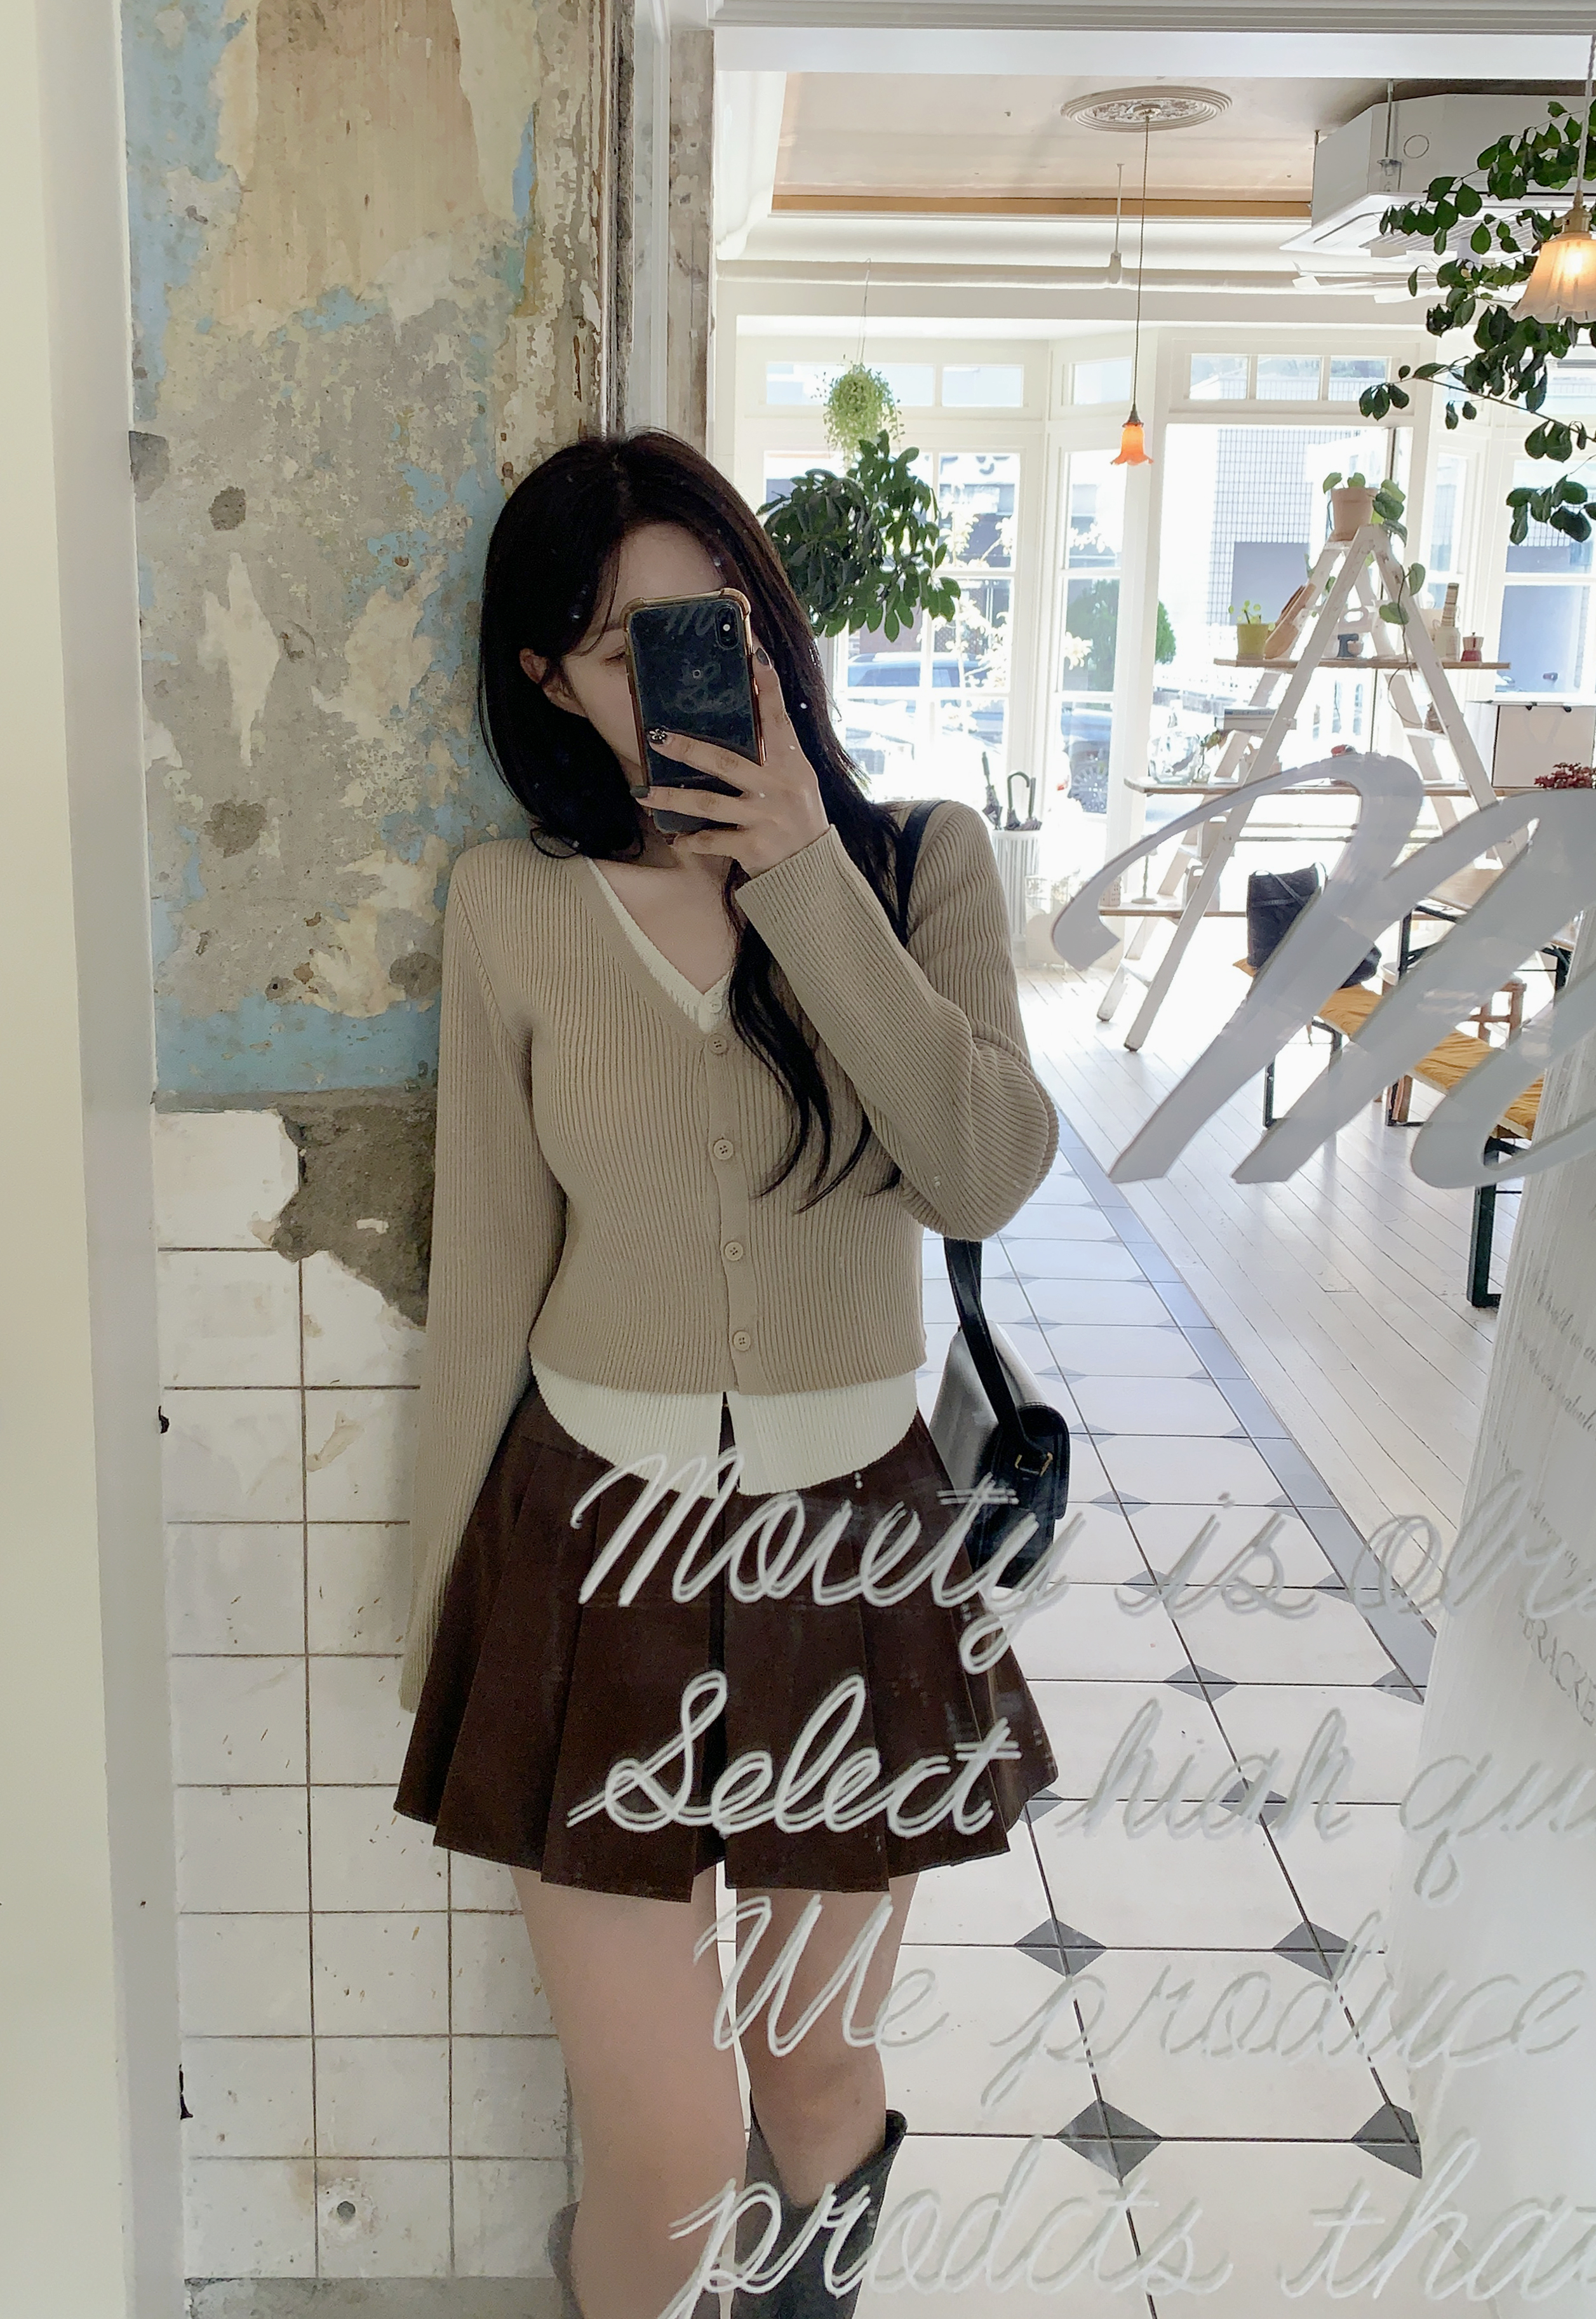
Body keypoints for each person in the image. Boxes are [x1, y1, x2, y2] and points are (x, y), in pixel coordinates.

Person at [393, 431, 1061, 2319]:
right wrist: (442, 1609)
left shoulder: (917, 864)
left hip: (849, 1559)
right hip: (586, 1559)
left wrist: (795, 870)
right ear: (552, 681)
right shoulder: (512, 907)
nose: (691, 669)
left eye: (720, 620)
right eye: (628, 647)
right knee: (673, 2148)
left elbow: (984, 1169)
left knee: (813, 2079)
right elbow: (489, 1271)